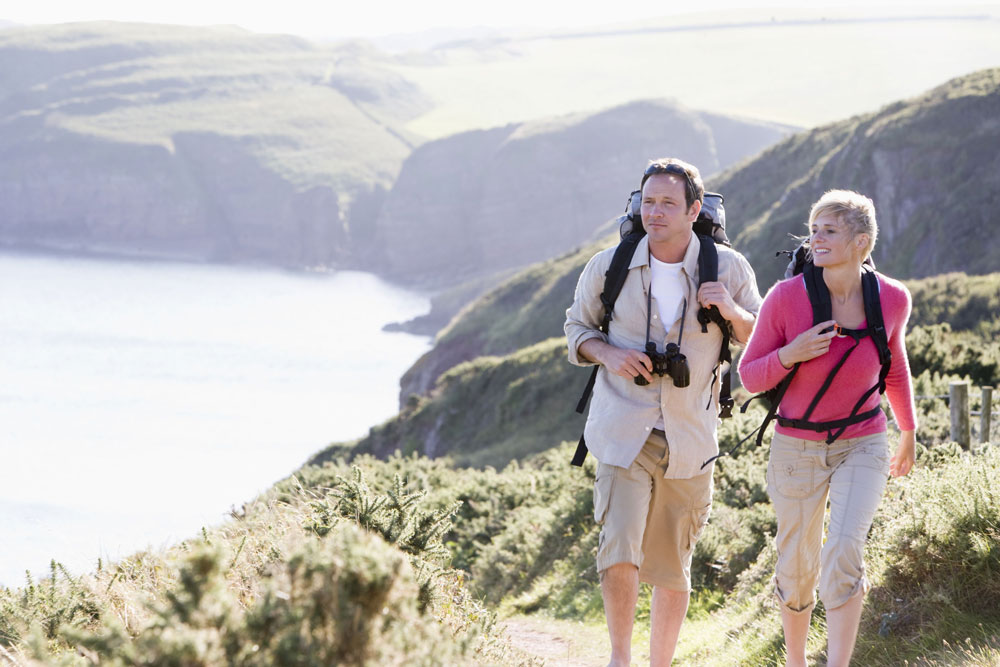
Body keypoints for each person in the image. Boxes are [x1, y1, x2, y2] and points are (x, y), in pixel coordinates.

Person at [565, 157, 762, 666]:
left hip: (691, 436)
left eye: (668, 203)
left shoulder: (729, 267)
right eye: (648, 202)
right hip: (621, 428)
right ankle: (620, 658)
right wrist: (610, 354)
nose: (655, 212)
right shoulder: (608, 265)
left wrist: (731, 310)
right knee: (620, 551)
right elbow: (576, 330)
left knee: (674, 566)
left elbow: (758, 337)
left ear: (694, 209)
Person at [738, 189, 918, 667]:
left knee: (843, 548)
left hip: (863, 440)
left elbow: (894, 366)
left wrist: (908, 430)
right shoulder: (786, 298)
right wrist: (790, 354)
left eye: (829, 231)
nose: (815, 239)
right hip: (795, 445)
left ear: (861, 241)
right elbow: (751, 373)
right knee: (797, 567)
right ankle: (795, 661)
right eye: (813, 229)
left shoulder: (892, 298)